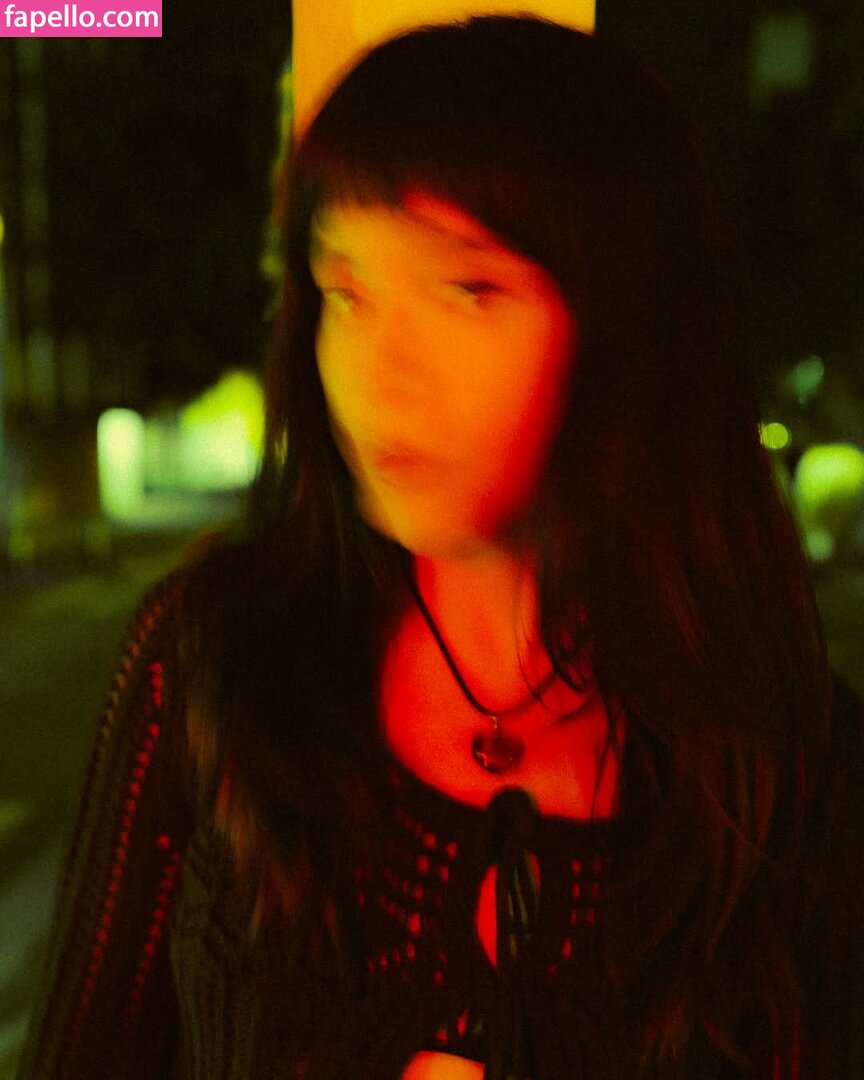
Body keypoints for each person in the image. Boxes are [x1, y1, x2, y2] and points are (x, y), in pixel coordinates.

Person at [16, 15, 864, 1080]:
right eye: (347, 292)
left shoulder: (789, 769)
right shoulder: (211, 665)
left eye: (468, 289)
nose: (383, 369)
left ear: (630, 324)